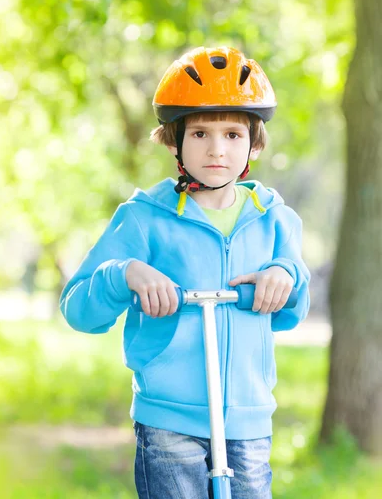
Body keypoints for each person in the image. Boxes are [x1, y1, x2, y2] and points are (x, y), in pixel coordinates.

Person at [60, 46, 311, 499]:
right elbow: (79, 309)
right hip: (167, 421)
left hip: (248, 420)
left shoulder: (275, 219)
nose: (216, 149)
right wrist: (125, 273)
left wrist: (285, 276)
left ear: (255, 142)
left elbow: (295, 308)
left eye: (233, 134)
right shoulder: (143, 218)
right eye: (199, 134)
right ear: (174, 140)